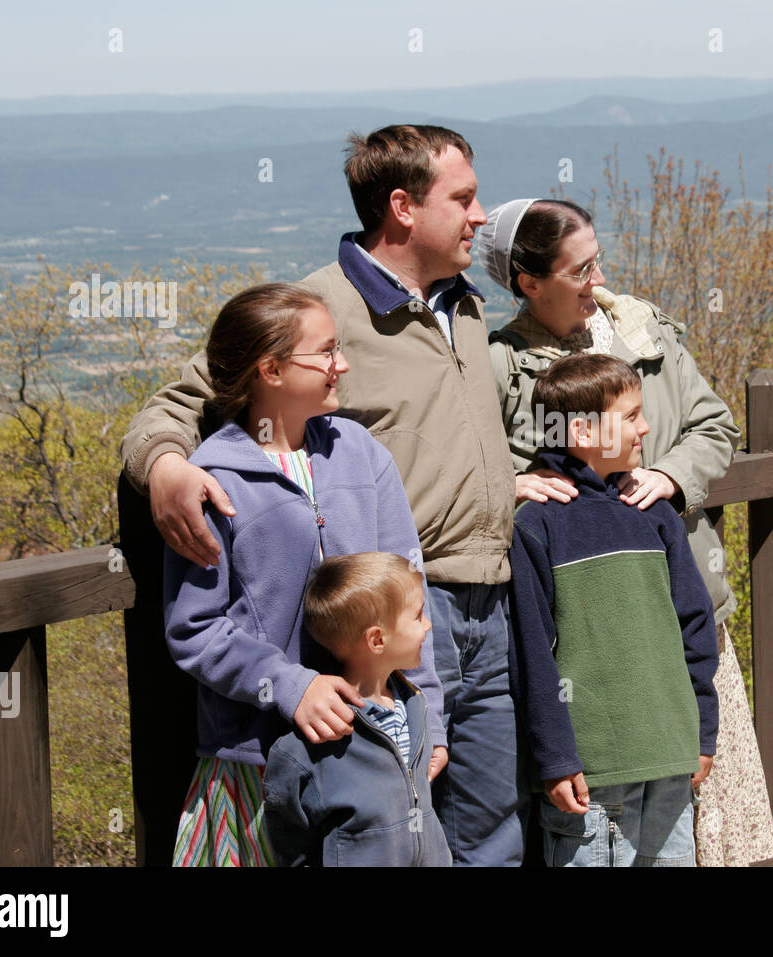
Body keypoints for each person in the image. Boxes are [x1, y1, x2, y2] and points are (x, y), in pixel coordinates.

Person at [122, 125, 523, 866]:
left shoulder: (465, 303)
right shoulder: (317, 308)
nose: (479, 215)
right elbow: (187, 398)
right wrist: (167, 466)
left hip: (485, 606)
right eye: (464, 198)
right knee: (378, 829)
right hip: (389, 617)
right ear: (403, 206)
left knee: (489, 832)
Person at [477, 198, 773, 865]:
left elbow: (714, 426)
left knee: (693, 824)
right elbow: (468, 456)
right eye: (580, 268)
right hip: (581, 635)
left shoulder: (644, 334)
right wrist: (506, 484)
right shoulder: (499, 363)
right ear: (530, 282)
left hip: (670, 605)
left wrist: (670, 475)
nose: (598, 278)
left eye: (597, 261)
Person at [162, 283, 444, 866]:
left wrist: (429, 714)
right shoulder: (215, 479)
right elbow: (195, 629)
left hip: (371, 751)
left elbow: (410, 592)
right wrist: (290, 687)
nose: (342, 365)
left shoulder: (361, 454)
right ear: (270, 369)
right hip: (257, 763)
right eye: (326, 353)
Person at [508, 353, 718, 866]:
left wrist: (702, 730)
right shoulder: (536, 526)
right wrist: (555, 759)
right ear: (581, 431)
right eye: (629, 417)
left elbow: (695, 624)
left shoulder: (655, 515)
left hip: (670, 756)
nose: (645, 427)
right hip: (592, 774)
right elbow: (533, 655)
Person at [264, 553, 452, 867]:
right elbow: (290, 836)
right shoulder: (316, 742)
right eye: (418, 615)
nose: (428, 625)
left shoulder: (415, 707)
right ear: (377, 639)